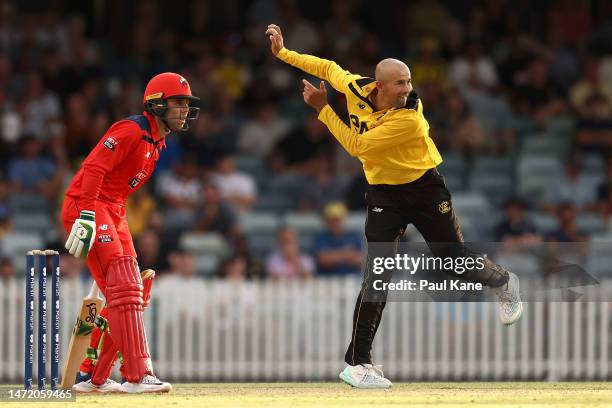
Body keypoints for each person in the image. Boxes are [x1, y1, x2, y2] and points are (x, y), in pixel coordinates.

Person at [266, 23, 522, 389]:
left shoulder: (410, 120)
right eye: (400, 83)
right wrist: (284, 54)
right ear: (378, 86)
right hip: (384, 193)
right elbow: (326, 68)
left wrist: (323, 110)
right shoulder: (357, 86)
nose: (408, 89)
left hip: (425, 189)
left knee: (452, 260)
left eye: (409, 82)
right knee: (377, 274)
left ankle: (503, 281)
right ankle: (359, 364)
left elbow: (357, 146)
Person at [61, 72, 199, 393]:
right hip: (91, 204)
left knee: (131, 288)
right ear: (155, 104)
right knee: (123, 283)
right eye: (177, 103)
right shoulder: (130, 130)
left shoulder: (157, 142)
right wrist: (85, 214)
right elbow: (94, 167)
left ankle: (92, 375)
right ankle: (137, 374)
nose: (183, 110)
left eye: (185, 104)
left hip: (114, 208)